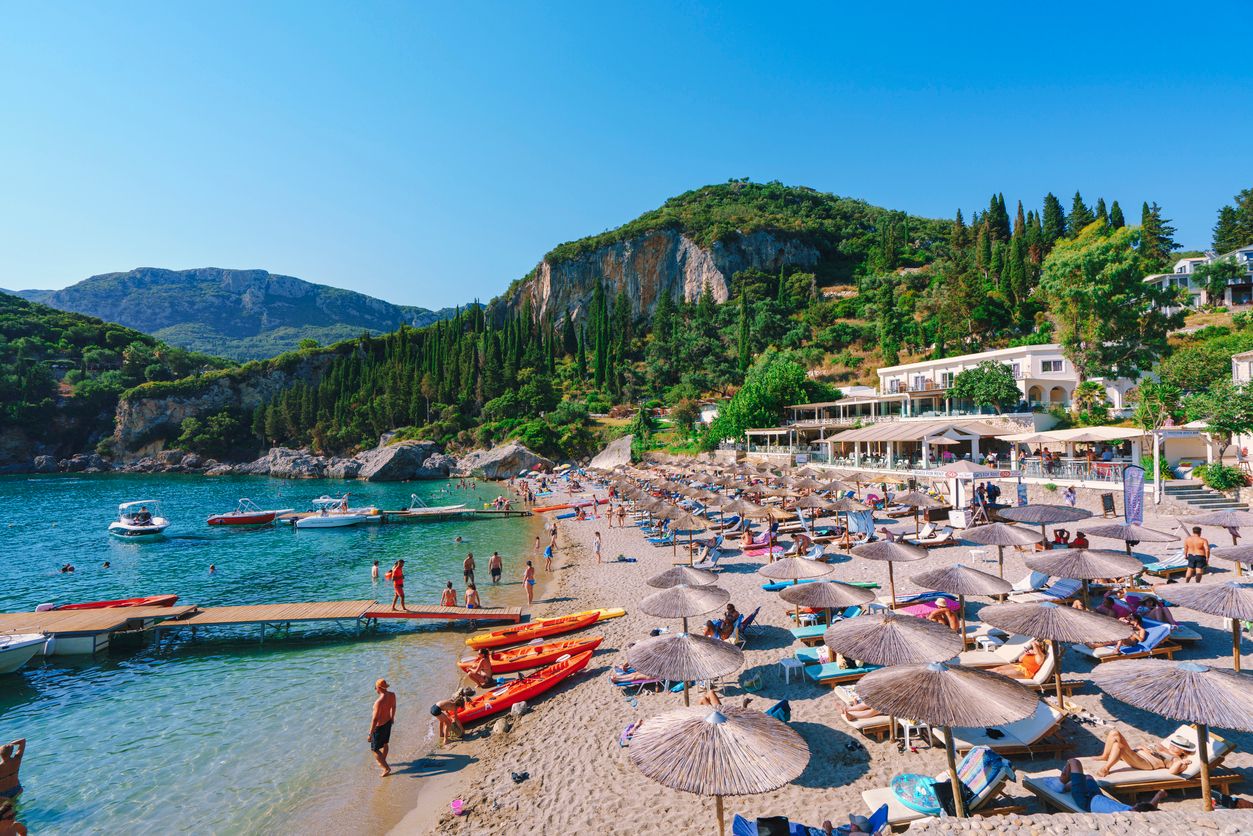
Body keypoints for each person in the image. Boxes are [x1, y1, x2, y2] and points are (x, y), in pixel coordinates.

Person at [1056, 758, 1166, 812]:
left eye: (1137, 805)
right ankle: (1067, 786)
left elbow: (1146, 809)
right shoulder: (1135, 810)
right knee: (1088, 777)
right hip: (1097, 796)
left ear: (1136, 812)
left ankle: (1060, 784)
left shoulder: (1126, 815)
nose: (1136, 804)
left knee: (1074, 762)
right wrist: (1158, 796)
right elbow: (1151, 808)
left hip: (1085, 802)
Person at [1092, 730, 1195, 778]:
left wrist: (1182, 762)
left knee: (1118, 746)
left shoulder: (1176, 759)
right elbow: (1140, 747)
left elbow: (1172, 771)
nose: (1173, 746)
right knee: (1114, 733)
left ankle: (1106, 768)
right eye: (1173, 743)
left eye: (1177, 746)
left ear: (1183, 751)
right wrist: (1142, 748)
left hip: (1144, 763)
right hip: (1137, 754)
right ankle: (1105, 756)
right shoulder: (1164, 747)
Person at [368, 679, 396, 776]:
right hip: (388, 722)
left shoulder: (378, 702)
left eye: (375, 687)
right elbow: (394, 706)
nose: (375, 689)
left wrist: (370, 734)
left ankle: (386, 768)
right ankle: (383, 760)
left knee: (374, 749)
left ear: (378, 688)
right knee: (385, 743)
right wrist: (392, 718)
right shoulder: (392, 695)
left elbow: (375, 719)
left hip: (379, 726)